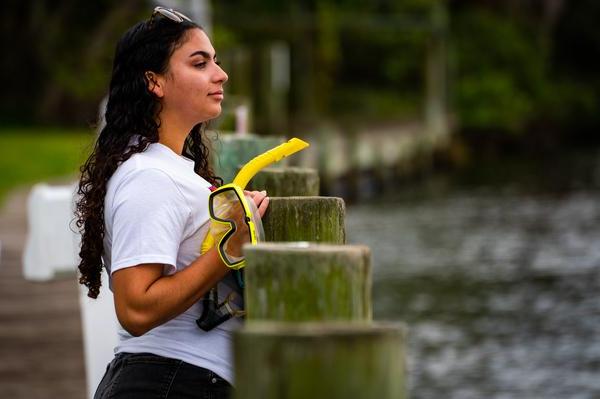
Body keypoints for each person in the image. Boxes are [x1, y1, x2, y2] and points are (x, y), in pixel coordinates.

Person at [74, 7, 269, 399]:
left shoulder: (166, 168)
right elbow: (136, 308)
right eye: (200, 63)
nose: (221, 74)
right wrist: (229, 247)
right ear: (155, 82)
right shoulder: (150, 176)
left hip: (175, 380)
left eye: (216, 61)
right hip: (170, 382)